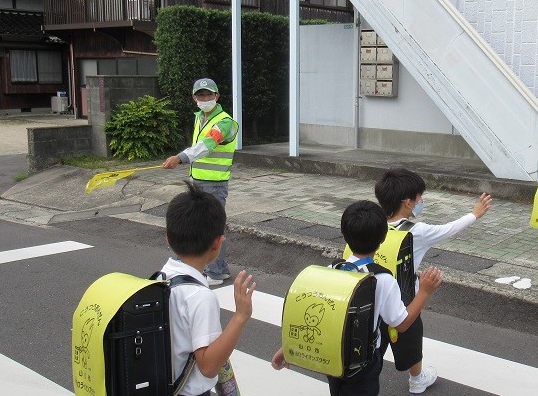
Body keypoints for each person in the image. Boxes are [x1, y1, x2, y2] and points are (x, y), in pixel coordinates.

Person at [271, 200, 444, 396]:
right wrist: (424, 292)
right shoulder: (383, 279)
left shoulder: (332, 269)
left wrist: (288, 348)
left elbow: (319, 316)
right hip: (363, 364)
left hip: (334, 355)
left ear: (344, 235)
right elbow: (401, 324)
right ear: (383, 237)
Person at [374, 168, 492, 393]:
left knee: (375, 342)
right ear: (408, 203)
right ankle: (417, 379)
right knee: (410, 336)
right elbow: (448, 230)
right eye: (420, 198)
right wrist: (475, 213)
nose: (422, 201)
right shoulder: (417, 231)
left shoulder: (374, 224)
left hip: (374, 295)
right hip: (405, 300)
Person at [160, 183, 255, 396]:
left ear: (167, 237)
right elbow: (208, 365)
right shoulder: (200, 297)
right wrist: (240, 316)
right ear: (217, 244)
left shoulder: (162, 276)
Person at [163, 78, 238, 286]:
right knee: (207, 225)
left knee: (213, 227)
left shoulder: (225, 122)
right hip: (199, 181)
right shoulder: (200, 117)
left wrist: (180, 158)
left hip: (215, 184)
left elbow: (207, 145)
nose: (205, 99)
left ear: (217, 96)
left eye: (209, 95)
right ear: (194, 98)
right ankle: (218, 269)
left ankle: (214, 272)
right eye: (201, 95)